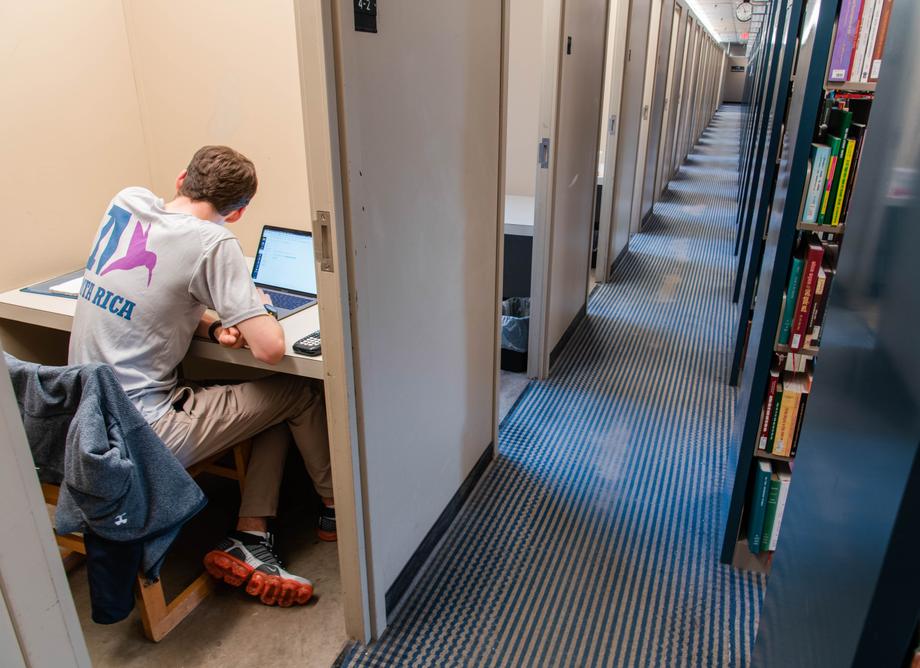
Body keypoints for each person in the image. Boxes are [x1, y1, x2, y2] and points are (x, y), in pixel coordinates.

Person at [69, 145, 335, 607]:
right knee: (298, 391)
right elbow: (271, 348)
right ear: (238, 213)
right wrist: (251, 305)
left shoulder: (127, 201)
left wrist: (212, 322)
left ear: (180, 178)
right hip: (143, 436)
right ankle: (337, 512)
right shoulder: (214, 242)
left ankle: (251, 533)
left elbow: (156, 291)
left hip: (84, 421)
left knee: (267, 403)